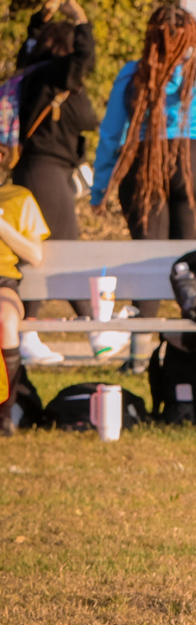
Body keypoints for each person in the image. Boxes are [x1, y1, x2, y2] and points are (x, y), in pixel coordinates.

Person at [95, 2, 196, 315]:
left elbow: (110, 134)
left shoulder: (133, 73)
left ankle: (138, 350)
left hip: (144, 163)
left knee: (147, 261)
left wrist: (100, 189)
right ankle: (194, 353)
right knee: (194, 263)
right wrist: (194, 37)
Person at [10, 0, 96, 349]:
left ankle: (36, 328)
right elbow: (84, 60)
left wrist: (41, 16)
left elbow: (29, 46)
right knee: (62, 247)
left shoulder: (31, 71)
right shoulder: (52, 77)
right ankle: (90, 328)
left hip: (34, 170)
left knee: (42, 246)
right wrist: (81, 21)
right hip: (45, 171)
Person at [0, 172, 51, 433]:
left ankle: (4, 414)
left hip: (2, 283)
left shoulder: (20, 197)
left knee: (5, 320)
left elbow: (35, 254)